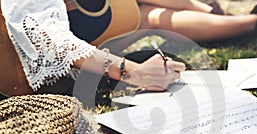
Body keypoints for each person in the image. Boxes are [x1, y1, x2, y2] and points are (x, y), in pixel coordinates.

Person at [0, 0, 186, 98]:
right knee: (148, 16)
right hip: (16, 68)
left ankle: (213, 10)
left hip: (89, 30)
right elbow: (44, 37)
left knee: (146, 14)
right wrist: (133, 71)